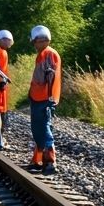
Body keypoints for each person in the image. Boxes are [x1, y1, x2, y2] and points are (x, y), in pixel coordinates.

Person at [28, 24, 61, 174]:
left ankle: (50, 161)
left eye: (34, 42)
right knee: (39, 128)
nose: (34, 45)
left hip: (43, 98)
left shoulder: (47, 54)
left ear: (39, 40)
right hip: (41, 97)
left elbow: (43, 79)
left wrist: (46, 99)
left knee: (43, 128)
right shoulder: (47, 53)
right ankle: (38, 160)